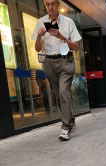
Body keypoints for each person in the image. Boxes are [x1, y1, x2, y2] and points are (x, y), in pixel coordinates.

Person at [32, 0, 81, 141]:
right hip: (49, 63)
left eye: (53, 4)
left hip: (66, 61)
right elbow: (37, 48)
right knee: (59, 95)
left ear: (58, 5)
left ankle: (65, 127)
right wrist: (40, 36)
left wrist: (61, 37)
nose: (50, 7)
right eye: (47, 4)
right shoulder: (41, 22)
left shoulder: (68, 22)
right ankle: (70, 119)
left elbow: (76, 47)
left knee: (63, 92)